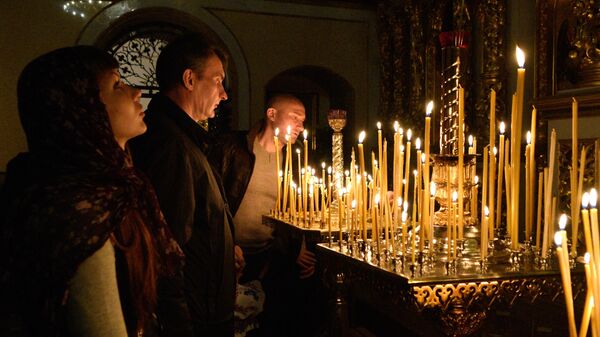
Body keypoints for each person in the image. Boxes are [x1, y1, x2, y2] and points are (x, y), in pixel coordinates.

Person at [0, 46, 187, 337]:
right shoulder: (79, 213)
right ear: (82, 108)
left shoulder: (118, 187)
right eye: (117, 85)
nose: (136, 92)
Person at [130, 34, 242, 337]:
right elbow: (169, 248)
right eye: (217, 81)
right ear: (189, 79)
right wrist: (181, 325)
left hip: (204, 305)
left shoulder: (187, 140)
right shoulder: (171, 144)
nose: (224, 94)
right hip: (196, 317)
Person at [209, 94, 318, 337]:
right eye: (295, 118)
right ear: (271, 114)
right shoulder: (233, 148)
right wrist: (227, 242)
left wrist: (297, 243)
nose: (300, 126)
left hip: (269, 255)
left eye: (303, 121)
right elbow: (212, 200)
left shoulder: (296, 160)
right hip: (228, 254)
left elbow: (300, 208)